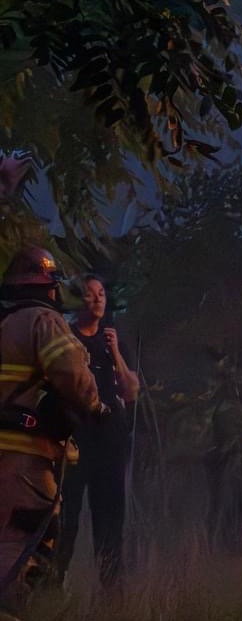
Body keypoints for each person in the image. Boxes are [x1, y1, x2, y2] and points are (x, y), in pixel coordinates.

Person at [0, 249, 104, 601]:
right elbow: (74, 378)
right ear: (48, 287)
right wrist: (96, 407)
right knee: (21, 544)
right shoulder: (44, 321)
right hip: (25, 461)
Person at [56, 274, 138, 585]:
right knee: (66, 517)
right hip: (75, 442)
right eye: (91, 294)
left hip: (109, 442)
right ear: (79, 300)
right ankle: (54, 583)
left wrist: (115, 353)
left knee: (110, 520)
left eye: (102, 293)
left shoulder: (113, 341)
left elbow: (130, 391)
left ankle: (111, 592)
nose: (98, 299)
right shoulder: (66, 340)